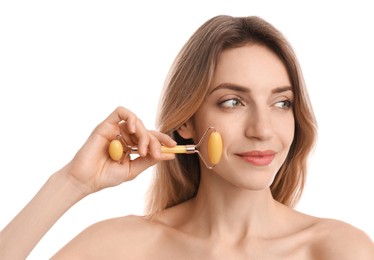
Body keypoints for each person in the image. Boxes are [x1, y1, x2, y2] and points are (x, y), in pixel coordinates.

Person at [1, 15, 373, 259]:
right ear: (187, 123)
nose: (262, 130)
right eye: (232, 101)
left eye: (281, 103)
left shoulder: (336, 249)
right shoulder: (124, 247)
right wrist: (71, 182)